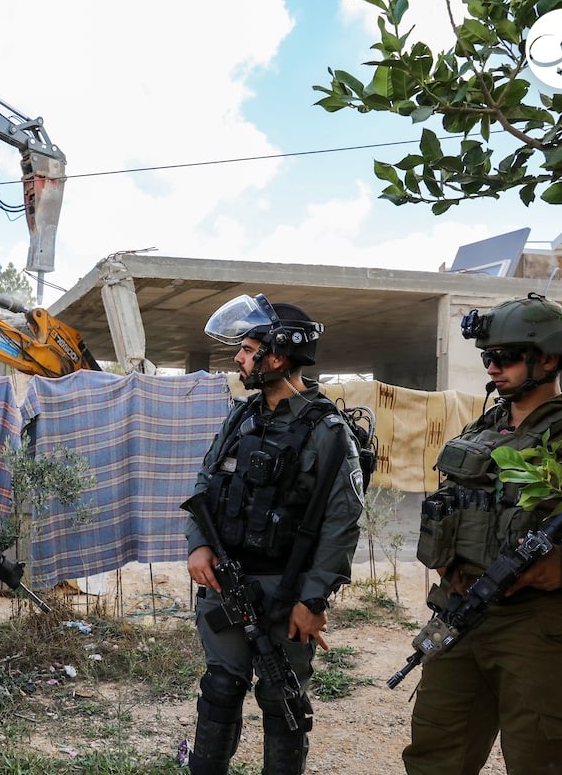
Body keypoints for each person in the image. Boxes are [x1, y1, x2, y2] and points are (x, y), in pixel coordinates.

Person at [403, 292, 562, 775]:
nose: (493, 367)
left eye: (506, 356)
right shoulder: (482, 430)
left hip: (542, 631)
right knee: (434, 757)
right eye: (488, 357)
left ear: (548, 359)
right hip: (462, 616)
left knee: (540, 764)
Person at [182, 294, 364, 775]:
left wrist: (313, 599)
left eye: (247, 349)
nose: (239, 359)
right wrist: (199, 544)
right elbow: (204, 483)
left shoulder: (327, 430)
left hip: (287, 590)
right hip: (227, 583)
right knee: (220, 688)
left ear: (277, 356)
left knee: (283, 699)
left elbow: (341, 522)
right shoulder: (242, 416)